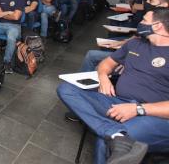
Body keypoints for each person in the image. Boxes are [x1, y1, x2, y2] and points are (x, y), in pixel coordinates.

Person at [57, 9, 169, 164]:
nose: (140, 23)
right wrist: (103, 77)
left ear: (157, 26)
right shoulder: (135, 43)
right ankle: (115, 134)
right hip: (117, 101)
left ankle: (113, 135)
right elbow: (106, 63)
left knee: (104, 141)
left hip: (152, 114)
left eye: (144, 20)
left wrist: (137, 109)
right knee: (66, 89)